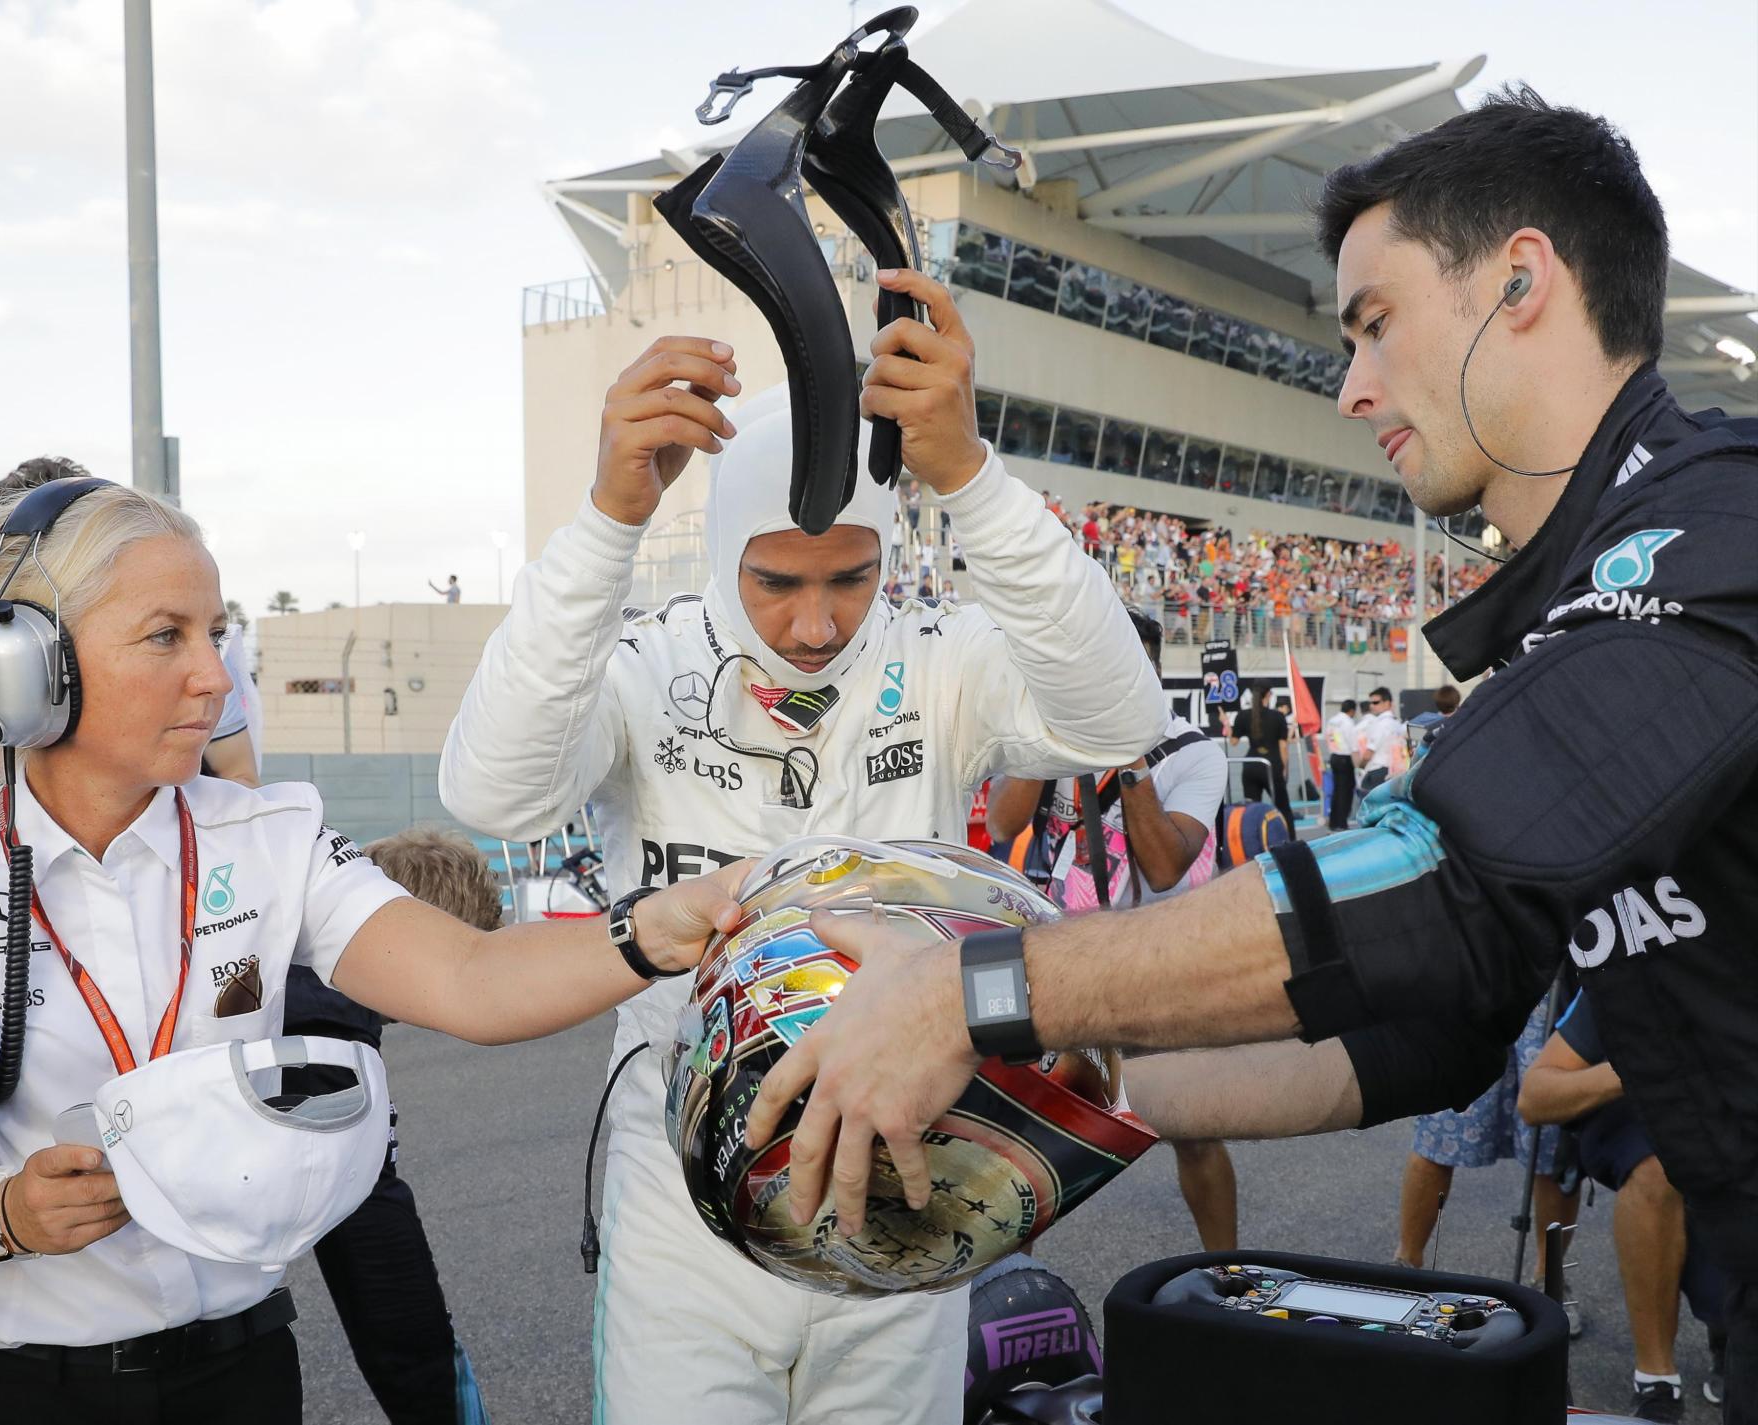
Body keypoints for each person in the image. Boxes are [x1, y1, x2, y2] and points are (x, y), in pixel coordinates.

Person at [739, 89, 1758, 1425]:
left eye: (1375, 324)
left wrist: (964, 994)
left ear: (1521, 280)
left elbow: (1444, 891)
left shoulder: (1722, 527)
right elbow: (1430, 1025)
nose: (1351, 387)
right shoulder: (1578, 602)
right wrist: (1039, 1097)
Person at [0, 480, 747, 1424]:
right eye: (166, 637)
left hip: (239, 1376)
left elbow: (471, 980)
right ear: (28, 672)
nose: (215, 677)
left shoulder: (268, 835)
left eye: (216, 633)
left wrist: (649, 928)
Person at [439, 268, 1163, 1425]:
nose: (817, 624)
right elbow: (493, 788)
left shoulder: (937, 653)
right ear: (722, 551)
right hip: (684, 1187)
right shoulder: (642, 660)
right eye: (774, 582)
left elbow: (1119, 723)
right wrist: (609, 519)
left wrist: (969, 481)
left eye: (851, 578)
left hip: (908, 1151)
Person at [985, 609, 1235, 1251]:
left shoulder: (1194, 751)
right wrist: (1056, 733)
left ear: (1150, 674)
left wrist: (1127, 751)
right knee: (1026, 1124)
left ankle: (1228, 1272)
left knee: (1194, 1124)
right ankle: (1016, 1280)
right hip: (1056, 954)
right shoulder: (1047, 728)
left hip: (1157, 958)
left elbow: (1165, 862)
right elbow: (1007, 825)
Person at [1521, 991, 1730, 1419]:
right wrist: (1637, 1068)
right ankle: (1657, 1379)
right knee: (1658, 1169)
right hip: (1654, 1122)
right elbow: (1535, 1097)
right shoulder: (1634, 964)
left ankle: (1731, 1333)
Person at [1394, 1000, 1583, 1331]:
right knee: (1440, 1127)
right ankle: (1404, 1265)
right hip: (1475, 985)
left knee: (1553, 1144)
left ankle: (1550, 1278)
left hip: (1553, 991)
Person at [1230, 687, 1294, 833]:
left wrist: (1226, 724)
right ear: (1269, 694)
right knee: (1283, 808)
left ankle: (1253, 845)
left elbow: (1233, 742)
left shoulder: (1243, 715)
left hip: (1251, 766)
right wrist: (1285, 768)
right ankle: (1289, 842)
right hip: (1272, 766)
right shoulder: (1278, 717)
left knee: (1252, 810)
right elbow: (1283, 747)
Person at [1351, 684, 1403, 794]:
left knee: (1369, 807)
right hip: (1394, 771)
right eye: (1371, 703)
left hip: (1378, 772)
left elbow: (1368, 753)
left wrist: (1360, 766)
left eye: (1376, 702)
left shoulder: (1380, 724)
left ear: (1387, 703)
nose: (1372, 706)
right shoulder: (1396, 723)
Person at [1323, 698, 1359, 829]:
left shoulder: (1332, 721)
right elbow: (1353, 743)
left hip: (1334, 756)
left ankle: (1334, 822)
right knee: (1346, 791)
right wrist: (1358, 764)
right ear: (1351, 711)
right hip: (1345, 758)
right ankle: (1342, 822)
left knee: (1337, 790)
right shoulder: (1347, 722)